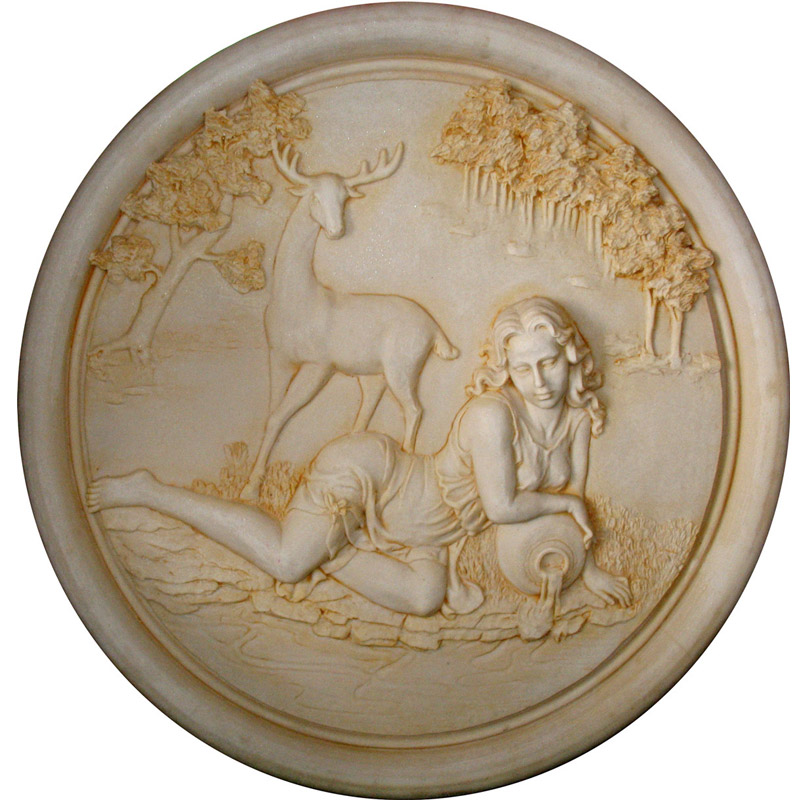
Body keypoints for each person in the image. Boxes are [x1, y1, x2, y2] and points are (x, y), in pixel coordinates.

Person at [87, 296, 631, 617]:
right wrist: (564, 506)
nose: (539, 382)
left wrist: (589, 571)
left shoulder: (578, 420)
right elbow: (504, 507)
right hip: (378, 478)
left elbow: (576, 509)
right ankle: (149, 491)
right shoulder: (492, 414)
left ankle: (331, 553)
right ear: (505, 370)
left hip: (429, 531)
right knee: (285, 562)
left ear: (570, 356)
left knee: (424, 599)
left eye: (549, 363)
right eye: (522, 369)